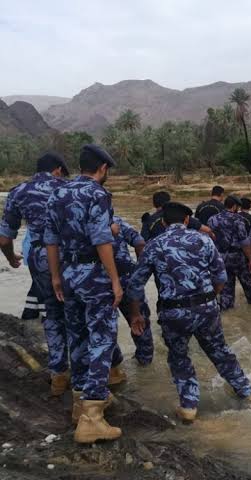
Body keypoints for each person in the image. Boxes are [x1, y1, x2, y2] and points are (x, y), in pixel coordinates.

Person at [126, 202, 251, 422]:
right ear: (186, 220)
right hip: (206, 308)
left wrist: (136, 315)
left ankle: (189, 406)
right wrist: (210, 299)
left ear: (164, 222)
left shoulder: (154, 245)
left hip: (172, 313)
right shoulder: (204, 240)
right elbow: (221, 278)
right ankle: (246, 391)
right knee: (220, 351)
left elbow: (136, 285)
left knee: (179, 357)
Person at [44, 144, 122, 443]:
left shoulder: (58, 192)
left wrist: (55, 276)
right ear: (102, 168)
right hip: (93, 273)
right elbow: (102, 238)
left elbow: (50, 238)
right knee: (101, 337)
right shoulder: (97, 194)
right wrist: (114, 279)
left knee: (76, 335)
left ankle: (79, 405)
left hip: (69, 272)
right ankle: (92, 416)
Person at [0, 152, 70, 396]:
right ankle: (89, 377)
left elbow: (4, 238)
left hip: (40, 256)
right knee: (78, 311)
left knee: (51, 311)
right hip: (73, 255)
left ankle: (59, 374)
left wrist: (11, 258)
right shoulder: (69, 187)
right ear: (58, 170)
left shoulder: (19, 191)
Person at [111, 216, 154, 366]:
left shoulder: (81, 221)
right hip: (127, 278)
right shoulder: (116, 220)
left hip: (99, 282)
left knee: (105, 326)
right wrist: (140, 271)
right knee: (140, 322)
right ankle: (145, 362)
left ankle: (113, 366)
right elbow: (139, 242)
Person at [207, 196, 251, 311]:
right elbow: (244, 242)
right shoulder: (238, 219)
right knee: (247, 284)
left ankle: (226, 310)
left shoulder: (212, 219)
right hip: (237, 257)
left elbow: (210, 238)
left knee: (226, 288)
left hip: (220, 257)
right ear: (234, 206)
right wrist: (250, 259)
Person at [141, 191, 208, 241]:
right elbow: (207, 230)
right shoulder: (179, 214)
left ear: (154, 204)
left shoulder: (148, 220)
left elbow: (142, 243)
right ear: (169, 202)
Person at [20, 230, 46, 320]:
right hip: (43, 253)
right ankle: (45, 317)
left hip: (32, 250)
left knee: (37, 285)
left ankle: (29, 314)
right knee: (43, 287)